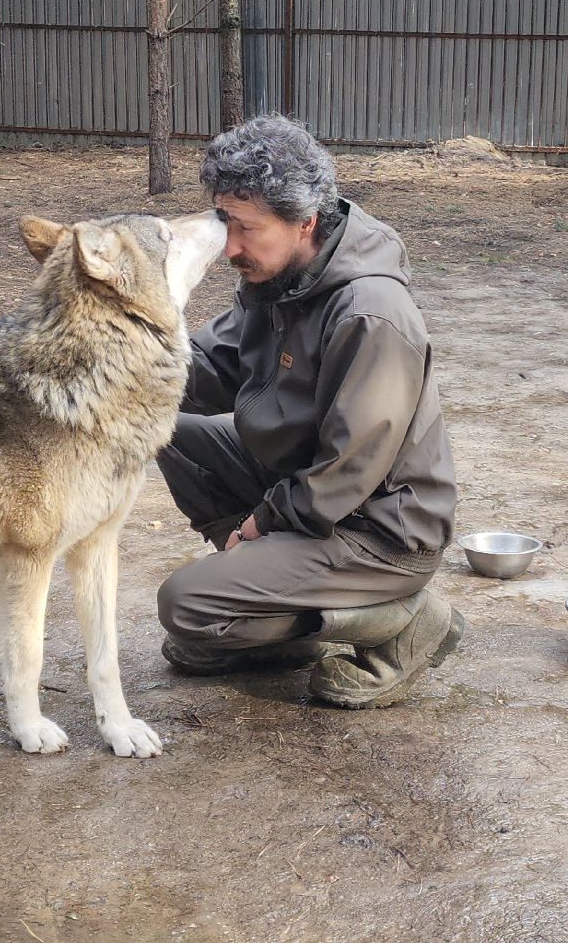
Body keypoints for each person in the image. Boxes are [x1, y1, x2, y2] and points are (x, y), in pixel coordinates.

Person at [155, 114, 462, 709]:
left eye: (245, 229)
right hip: (303, 485)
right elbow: (212, 369)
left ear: (305, 222)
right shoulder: (282, 279)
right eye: (225, 226)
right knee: (161, 425)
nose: (231, 248)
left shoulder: (370, 313)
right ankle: (272, 607)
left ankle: (406, 619)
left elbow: (348, 469)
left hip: (380, 531)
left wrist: (265, 522)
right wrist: (126, 350)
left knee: (184, 606)